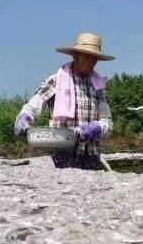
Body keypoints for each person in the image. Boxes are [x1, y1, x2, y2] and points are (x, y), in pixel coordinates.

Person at [14, 33, 114, 171]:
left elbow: (107, 123)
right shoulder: (56, 81)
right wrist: (24, 118)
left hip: (91, 156)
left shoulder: (99, 86)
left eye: (94, 58)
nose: (90, 61)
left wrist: (94, 129)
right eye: (86, 56)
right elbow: (33, 106)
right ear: (75, 55)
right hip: (61, 156)